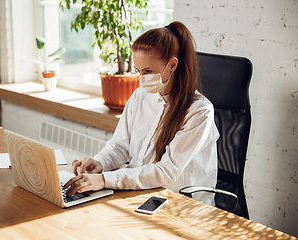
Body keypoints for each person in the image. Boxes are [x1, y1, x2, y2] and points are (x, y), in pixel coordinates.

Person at [63, 21, 220, 205]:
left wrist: (105, 179)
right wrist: (100, 163)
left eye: (148, 71)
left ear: (172, 65)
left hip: (181, 204)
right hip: (138, 193)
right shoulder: (140, 96)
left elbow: (165, 172)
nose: (142, 78)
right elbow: (120, 146)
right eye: (138, 71)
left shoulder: (199, 111)